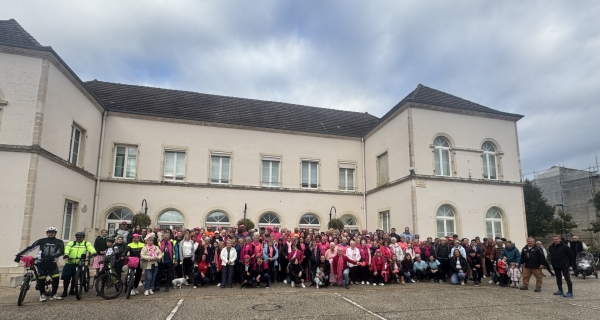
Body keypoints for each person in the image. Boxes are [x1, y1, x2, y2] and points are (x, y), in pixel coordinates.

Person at [15, 227, 65, 302]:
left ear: (55, 233)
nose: (51, 233)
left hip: (52, 262)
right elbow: (30, 248)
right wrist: (19, 255)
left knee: (56, 278)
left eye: (52, 232)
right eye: (49, 232)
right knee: (41, 278)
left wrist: (54, 256)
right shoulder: (41, 241)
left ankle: (53, 294)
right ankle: (42, 295)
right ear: (47, 233)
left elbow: (61, 251)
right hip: (41, 262)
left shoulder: (59, 242)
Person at [61, 231, 96, 297]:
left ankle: (72, 290)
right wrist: (66, 254)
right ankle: (65, 291)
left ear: (83, 237)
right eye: (77, 237)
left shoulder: (86, 243)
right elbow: (67, 248)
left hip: (79, 263)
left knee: (75, 278)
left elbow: (90, 248)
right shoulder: (72, 243)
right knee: (66, 278)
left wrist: (94, 252)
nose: (79, 238)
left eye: (80, 237)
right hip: (70, 262)